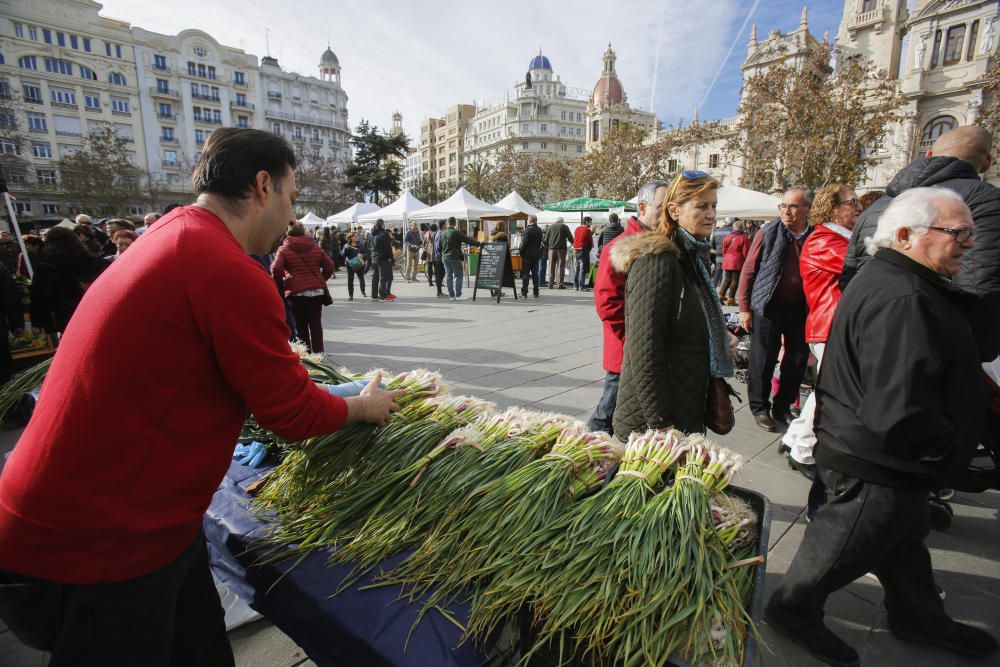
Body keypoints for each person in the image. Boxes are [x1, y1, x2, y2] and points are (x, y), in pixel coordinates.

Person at [0, 128, 406, 665]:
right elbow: (291, 414)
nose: (292, 214)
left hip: (137, 519)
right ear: (263, 185)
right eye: (291, 195)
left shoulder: (172, 234)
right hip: (99, 536)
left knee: (201, 649)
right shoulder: (225, 268)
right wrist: (362, 406)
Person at [765, 187, 997, 667]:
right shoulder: (902, 296)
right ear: (907, 235)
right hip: (878, 459)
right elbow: (898, 404)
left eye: (971, 233)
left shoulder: (902, 280)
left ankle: (917, 614)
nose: (970, 243)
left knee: (904, 545)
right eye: (958, 233)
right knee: (842, 543)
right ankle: (792, 610)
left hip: (892, 457)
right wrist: (948, 454)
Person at [843, 125, 1000, 362]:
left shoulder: (876, 206)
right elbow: (981, 286)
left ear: (928, 156)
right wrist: (975, 356)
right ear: (987, 162)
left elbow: (849, 277)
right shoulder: (985, 201)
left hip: (871, 337)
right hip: (934, 349)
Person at [612, 171, 734, 436]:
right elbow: (644, 349)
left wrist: (717, 333)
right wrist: (661, 422)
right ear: (674, 210)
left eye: (713, 206)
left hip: (684, 399)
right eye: (701, 206)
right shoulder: (658, 260)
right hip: (654, 421)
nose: (711, 214)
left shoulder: (693, 257)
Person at [781, 184, 861, 517]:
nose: (858, 208)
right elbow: (859, 268)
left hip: (837, 326)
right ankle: (800, 447)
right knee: (830, 392)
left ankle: (796, 441)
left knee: (823, 390)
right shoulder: (826, 240)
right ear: (832, 208)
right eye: (852, 202)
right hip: (830, 326)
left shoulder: (838, 238)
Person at [588, 180, 668, 434]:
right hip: (626, 348)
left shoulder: (663, 244)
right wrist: (634, 340)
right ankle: (583, 452)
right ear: (642, 207)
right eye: (661, 207)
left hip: (651, 348)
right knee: (607, 411)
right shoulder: (621, 246)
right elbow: (607, 304)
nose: (667, 214)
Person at [737, 186, 814, 432]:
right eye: (783, 206)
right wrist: (744, 308)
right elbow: (749, 270)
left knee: (797, 359)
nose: (787, 211)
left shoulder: (815, 236)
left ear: (807, 209)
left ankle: (782, 406)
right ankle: (760, 407)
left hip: (802, 307)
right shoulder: (768, 232)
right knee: (763, 359)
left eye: (793, 206)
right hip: (769, 304)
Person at [30, 226, 108, 336]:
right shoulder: (93, 260)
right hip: (97, 312)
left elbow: (39, 296)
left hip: (67, 317)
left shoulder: (46, 266)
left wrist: (37, 322)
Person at [272, 221, 334, 353]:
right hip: (316, 292)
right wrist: (322, 279)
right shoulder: (315, 247)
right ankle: (319, 354)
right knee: (316, 324)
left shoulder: (284, 248)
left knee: (301, 326)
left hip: (296, 292)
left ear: (288, 231)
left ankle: (307, 354)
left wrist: (283, 284)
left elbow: (276, 269)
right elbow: (330, 265)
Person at [438, 216, 480, 301]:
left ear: (447, 223)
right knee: (459, 275)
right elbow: (467, 240)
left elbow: (439, 247)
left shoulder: (442, 233)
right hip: (454, 256)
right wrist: (478, 244)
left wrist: (443, 253)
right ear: (455, 223)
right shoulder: (456, 232)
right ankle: (458, 294)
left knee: (448, 276)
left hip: (445, 257)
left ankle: (451, 295)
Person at [719, 220, 749, 305]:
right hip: (737, 261)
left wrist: (727, 257)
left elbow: (724, 250)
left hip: (727, 259)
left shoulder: (727, 237)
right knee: (735, 280)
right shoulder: (743, 238)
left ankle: (721, 295)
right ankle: (731, 298)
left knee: (727, 279)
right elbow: (745, 252)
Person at [369, 219, 395, 301]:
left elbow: (369, 246)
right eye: (384, 224)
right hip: (382, 258)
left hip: (374, 258)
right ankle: (383, 296)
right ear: (382, 225)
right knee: (383, 277)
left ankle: (374, 295)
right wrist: (391, 258)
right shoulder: (384, 234)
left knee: (375, 277)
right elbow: (388, 248)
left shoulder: (371, 234)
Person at [544, 216, 573, 289]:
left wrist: (548, 247)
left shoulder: (550, 227)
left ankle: (550, 284)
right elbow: (570, 237)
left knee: (551, 266)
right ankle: (560, 284)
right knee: (560, 266)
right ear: (562, 221)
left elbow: (545, 239)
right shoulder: (564, 226)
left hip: (551, 249)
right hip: (561, 249)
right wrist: (574, 244)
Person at [519, 214, 544, 298]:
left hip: (527, 255)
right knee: (535, 274)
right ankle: (536, 292)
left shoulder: (527, 230)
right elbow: (541, 243)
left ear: (529, 221)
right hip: (536, 255)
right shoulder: (539, 230)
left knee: (525, 274)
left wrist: (520, 251)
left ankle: (524, 292)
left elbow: (523, 243)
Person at [340, 232, 368, 300]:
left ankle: (363, 291)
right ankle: (351, 295)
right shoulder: (347, 245)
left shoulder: (360, 244)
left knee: (361, 278)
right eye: (355, 236)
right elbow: (342, 255)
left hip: (358, 263)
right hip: (350, 264)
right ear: (351, 237)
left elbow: (367, 253)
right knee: (350, 279)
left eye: (357, 236)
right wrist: (345, 248)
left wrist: (363, 255)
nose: (356, 237)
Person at [711, 216, 735, 286]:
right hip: (728, 255)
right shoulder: (732, 233)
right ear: (732, 223)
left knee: (717, 272)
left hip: (718, 254)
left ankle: (713, 288)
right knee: (726, 274)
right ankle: (722, 291)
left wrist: (716, 251)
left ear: (725, 222)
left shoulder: (716, 231)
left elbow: (712, 245)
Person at [572, 217, 594, 291]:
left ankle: (575, 285)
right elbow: (590, 242)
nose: (591, 224)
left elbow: (574, 239)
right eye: (590, 222)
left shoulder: (577, 229)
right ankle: (581, 286)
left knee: (577, 268)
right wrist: (588, 249)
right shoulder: (587, 230)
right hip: (583, 249)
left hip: (575, 249)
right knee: (582, 268)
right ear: (587, 222)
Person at [433, 221, 447, 297]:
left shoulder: (440, 233)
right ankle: (439, 292)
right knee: (439, 274)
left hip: (439, 256)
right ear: (443, 225)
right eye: (446, 224)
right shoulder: (440, 233)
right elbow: (438, 246)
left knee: (441, 274)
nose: (447, 225)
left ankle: (440, 291)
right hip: (439, 257)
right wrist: (442, 253)